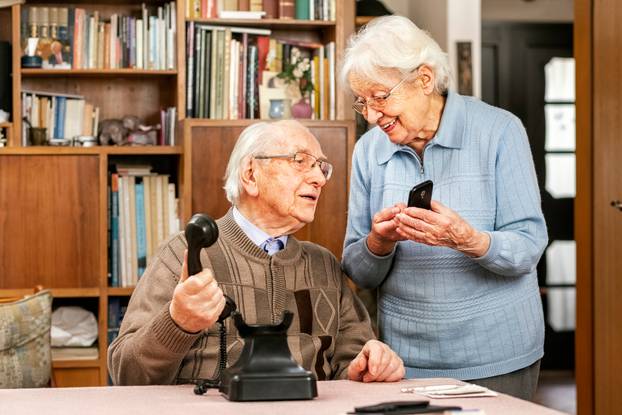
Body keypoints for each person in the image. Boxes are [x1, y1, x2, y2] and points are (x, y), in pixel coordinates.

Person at [340, 16, 548, 400]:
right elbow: (358, 270)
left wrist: (468, 239)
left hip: (498, 357)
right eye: (362, 101)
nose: (370, 115)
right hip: (404, 360)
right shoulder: (369, 151)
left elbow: (528, 247)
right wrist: (378, 243)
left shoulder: (500, 132)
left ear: (424, 79)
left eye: (380, 97)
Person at [108, 120, 405, 385]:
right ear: (250, 174)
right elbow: (127, 374)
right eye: (300, 161)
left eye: (321, 166)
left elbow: (353, 360)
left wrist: (369, 364)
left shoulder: (323, 264)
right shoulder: (184, 253)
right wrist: (178, 322)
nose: (319, 178)